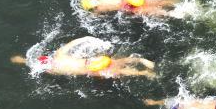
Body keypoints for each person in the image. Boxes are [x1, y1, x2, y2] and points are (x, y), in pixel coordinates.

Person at [11, 37, 155, 79]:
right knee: (116, 62)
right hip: (90, 62)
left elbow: (34, 64)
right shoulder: (59, 54)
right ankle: (141, 60)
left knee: (117, 72)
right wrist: (86, 38)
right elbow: (73, 43)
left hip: (89, 70)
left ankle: (143, 73)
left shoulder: (53, 70)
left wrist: (22, 61)